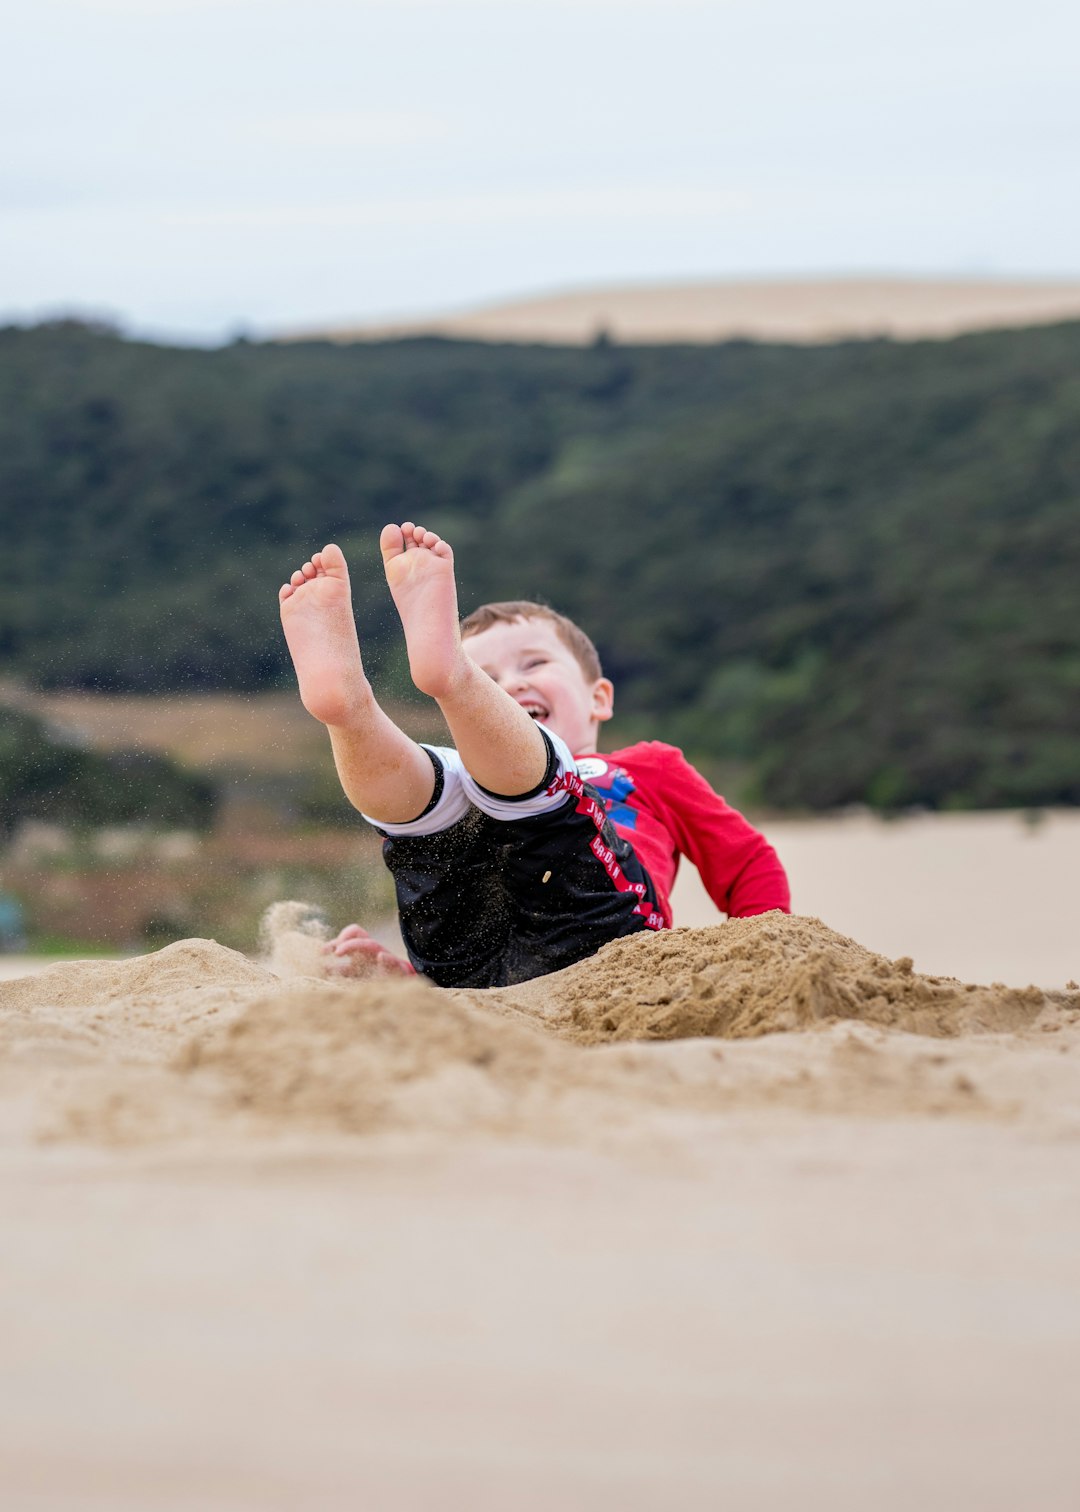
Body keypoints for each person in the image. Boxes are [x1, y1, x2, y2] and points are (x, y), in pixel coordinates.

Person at [279, 522, 789, 988]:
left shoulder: (650, 767)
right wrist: (405, 974)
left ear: (599, 697)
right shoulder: (475, 780)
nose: (511, 685)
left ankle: (436, 687)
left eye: (534, 662)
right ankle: (350, 713)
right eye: (489, 679)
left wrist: (763, 950)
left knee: (514, 811)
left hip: (610, 938)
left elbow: (746, 863)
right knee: (434, 830)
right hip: (469, 966)